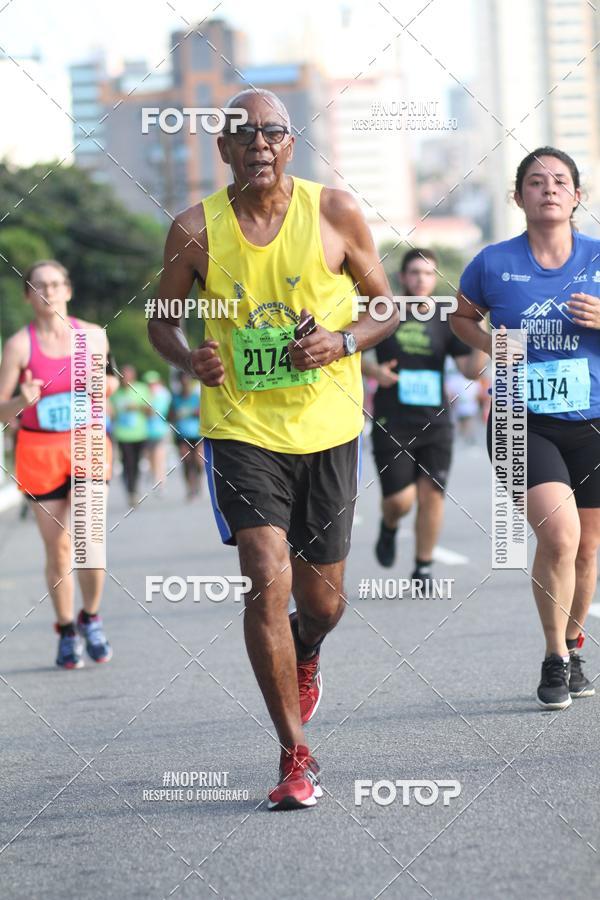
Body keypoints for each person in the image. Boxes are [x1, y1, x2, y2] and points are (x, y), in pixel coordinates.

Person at [148, 88, 398, 810]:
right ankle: (295, 754)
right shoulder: (195, 229)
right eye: (243, 133)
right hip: (241, 429)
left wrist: (344, 340)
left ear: (292, 144)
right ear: (222, 150)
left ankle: (308, 647)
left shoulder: (335, 212)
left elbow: (385, 304)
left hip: (327, 429)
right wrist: (185, 354)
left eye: (273, 132)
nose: (259, 143)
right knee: (265, 574)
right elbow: (160, 319)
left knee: (322, 602)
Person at [452, 146, 600, 710]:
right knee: (560, 537)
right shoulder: (492, 262)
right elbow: (461, 315)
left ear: (577, 196)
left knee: (587, 552)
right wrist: (494, 342)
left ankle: (572, 642)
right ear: (518, 197)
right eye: (536, 182)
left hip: (594, 420)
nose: (549, 189)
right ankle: (554, 658)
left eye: (561, 181)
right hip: (520, 419)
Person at [0, 260, 116, 668]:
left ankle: (92, 617)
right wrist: (22, 400)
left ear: (68, 290)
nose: (49, 291)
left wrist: (105, 383)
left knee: (90, 542)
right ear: (28, 295)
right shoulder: (19, 345)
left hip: (86, 443)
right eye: (39, 285)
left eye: (56, 283)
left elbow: (112, 381)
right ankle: (66, 628)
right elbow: (1, 411)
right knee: (59, 546)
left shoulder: (93, 337)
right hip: (39, 451)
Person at [362, 249, 486, 586]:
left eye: (429, 274)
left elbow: (469, 370)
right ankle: (389, 526)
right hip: (392, 422)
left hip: (436, 422)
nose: (421, 279)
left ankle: (423, 567)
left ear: (435, 279)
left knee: (432, 495)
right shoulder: (385, 313)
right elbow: (347, 350)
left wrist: (483, 334)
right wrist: (373, 370)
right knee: (400, 500)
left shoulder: (446, 319)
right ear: (403, 277)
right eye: (415, 272)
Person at [110, 364, 151, 507]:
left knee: (136, 463)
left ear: (133, 376)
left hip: (139, 433)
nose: (125, 379)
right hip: (123, 434)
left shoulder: (142, 389)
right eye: (123, 376)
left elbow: (150, 411)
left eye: (128, 375)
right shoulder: (115, 393)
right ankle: (130, 490)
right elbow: (111, 413)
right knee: (127, 463)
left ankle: (134, 488)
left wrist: (137, 407)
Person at [169, 372, 203, 499]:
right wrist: (176, 415)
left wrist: (196, 413)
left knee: (199, 461)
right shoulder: (175, 398)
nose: (185, 383)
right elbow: (169, 416)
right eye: (182, 381)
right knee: (187, 460)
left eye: (187, 380)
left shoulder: (196, 398)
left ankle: (198, 481)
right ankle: (190, 487)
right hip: (181, 435)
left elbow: (204, 414)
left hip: (197, 433)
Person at [143, 370, 171, 492]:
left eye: (153, 383)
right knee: (150, 458)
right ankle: (156, 478)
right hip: (147, 431)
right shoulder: (146, 393)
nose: (151, 385)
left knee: (159, 457)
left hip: (160, 430)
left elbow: (156, 412)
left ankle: (161, 482)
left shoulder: (163, 394)